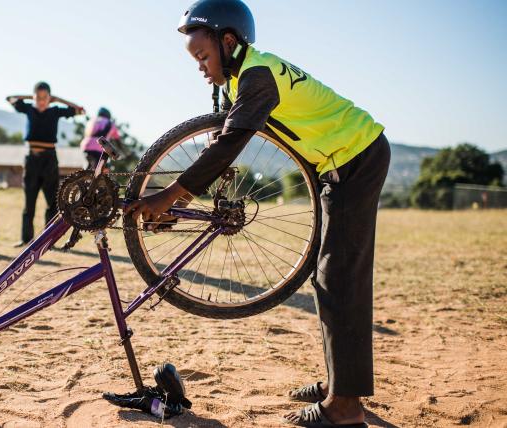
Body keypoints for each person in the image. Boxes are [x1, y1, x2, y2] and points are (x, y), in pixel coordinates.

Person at [126, 1, 390, 426]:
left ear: (228, 42)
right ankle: (340, 382)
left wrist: (172, 194)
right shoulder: (242, 81)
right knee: (330, 277)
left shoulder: (257, 77)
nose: (200, 67)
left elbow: (231, 144)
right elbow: (219, 149)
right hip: (337, 164)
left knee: (341, 276)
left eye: (203, 56)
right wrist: (179, 201)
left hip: (358, 156)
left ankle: (345, 407)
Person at [7, 82, 85, 247]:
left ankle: (48, 240)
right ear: (34, 96)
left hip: (49, 159)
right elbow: (10, 98)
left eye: (45, 97)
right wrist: (31, 97)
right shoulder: (28, 108)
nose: (42, 101)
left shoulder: (55, 111)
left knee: (52, 202)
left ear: (50, 98)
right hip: (32, 159)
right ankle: (26, 239)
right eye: (39, 97)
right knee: (29, 202)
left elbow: (79, 110)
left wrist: (58, 100)